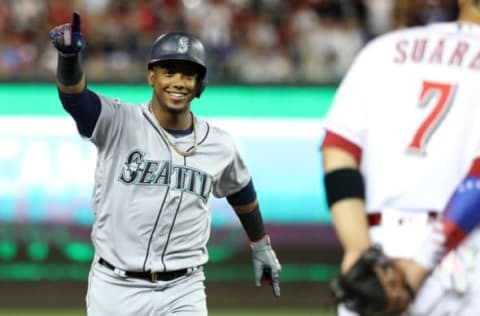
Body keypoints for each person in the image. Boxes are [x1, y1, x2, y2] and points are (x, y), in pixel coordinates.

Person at [49, 12, 281, 316]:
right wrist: (69, 58)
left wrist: (260, 243)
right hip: (116, 288)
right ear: (152, 76)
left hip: (184, 289)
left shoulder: (219, 144)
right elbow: (75, 99)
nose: (178, 82)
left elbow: (241, 190)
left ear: (200, 84)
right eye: (169, 71)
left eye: (188, 75)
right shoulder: (118, 120)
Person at [320, 0, 480, 315]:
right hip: (461, 253)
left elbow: (338, 151)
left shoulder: (383, 50)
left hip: (378, 252)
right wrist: (419, 265)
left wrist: (359, 251)